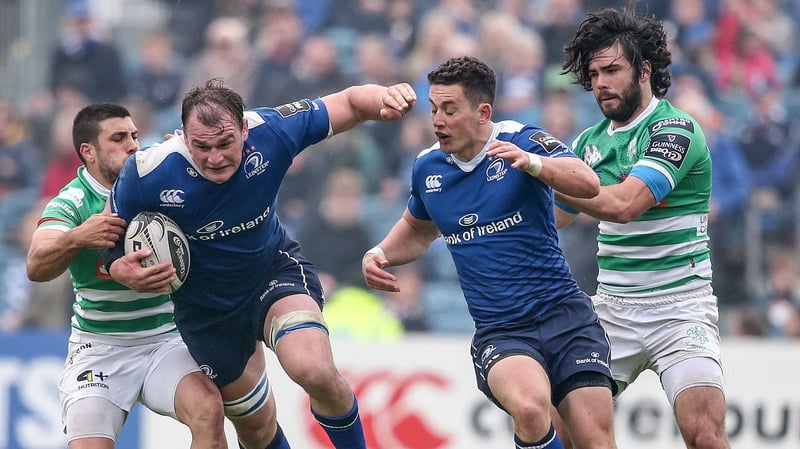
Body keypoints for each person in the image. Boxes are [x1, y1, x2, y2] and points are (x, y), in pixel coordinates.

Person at [102, 79, 416, 449]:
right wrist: (118, 267)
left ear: (244, 129)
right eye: (202, 146)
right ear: (184, 137)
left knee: (313, 369)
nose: (215, 157)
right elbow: (109, 233)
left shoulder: (272, 132)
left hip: (271, 272)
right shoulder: (147, 172)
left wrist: (384, 97)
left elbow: (349, 102)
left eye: (225, 143)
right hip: (206, 312)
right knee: (255, 429)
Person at [362, 55, 617, 449]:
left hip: (566, 318)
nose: (437, 121)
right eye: (433, 109)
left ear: (483, 113)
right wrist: (379, 253)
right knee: (530, 409)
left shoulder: (522, 140)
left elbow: (588, 183)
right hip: (502, 330)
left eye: (449, 110)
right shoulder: (428, 167)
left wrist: (534, 164)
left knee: (593, 441)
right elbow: (417, 228)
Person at [556, 8, 730, 449]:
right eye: (594, 74)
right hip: (612, 311)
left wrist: (542, 171)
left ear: (645, 70)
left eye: (612, 70)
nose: (600, 83)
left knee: (705, 436)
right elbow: (556, 216)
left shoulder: (675, 130)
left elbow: (625, 206)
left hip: (680, 309)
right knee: (563, 428)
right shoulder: (586, 143)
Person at [25, 103, 226, 448]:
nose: (133, 145)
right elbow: (35, 265)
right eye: (118, 139)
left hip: (164, 339)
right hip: (99, 348)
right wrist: (77, 238)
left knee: (209, 410)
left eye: (134, 135)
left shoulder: (156, 178)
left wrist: (189, 164)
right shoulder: (72, 202)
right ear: (88, 152)